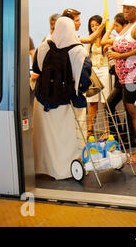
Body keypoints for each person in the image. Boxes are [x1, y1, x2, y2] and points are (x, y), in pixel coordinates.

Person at [32, 16, 92, 180]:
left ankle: (44, 168)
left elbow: (37, 68)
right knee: (70, 138)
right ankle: (69, 170)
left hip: (43, 99)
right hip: (69, 103)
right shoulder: (79, 51)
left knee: (46, 137)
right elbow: (85, 79)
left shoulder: (43, 46)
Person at [107, 0, 136, 163]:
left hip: (134, 77)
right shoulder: (129, 26)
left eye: (129, 8)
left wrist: (119, 55)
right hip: (127, 77)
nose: (125, 10)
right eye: (124, 7)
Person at [100, 13, 136, 146]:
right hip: (119, 79)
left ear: (125, 26)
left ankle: (129, 138)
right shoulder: (117, 39)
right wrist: (109, 28)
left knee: (129, 109)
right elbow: (102, 41)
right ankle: (117, 133)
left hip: (129, 77)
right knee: (109, 105)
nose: (114, 28)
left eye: (116, 25)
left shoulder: (127, 41)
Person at [85, 15, 109, 137]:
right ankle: (89, 130)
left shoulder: (108, 37)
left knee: (105, 102)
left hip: (105, 69)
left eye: (96, 25)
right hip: (93, 71)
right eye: (92, 26)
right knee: (92, 102)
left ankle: (107, 131)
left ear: (101, 25)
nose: (94, 28)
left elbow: (107, 50)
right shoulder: (89, 40)